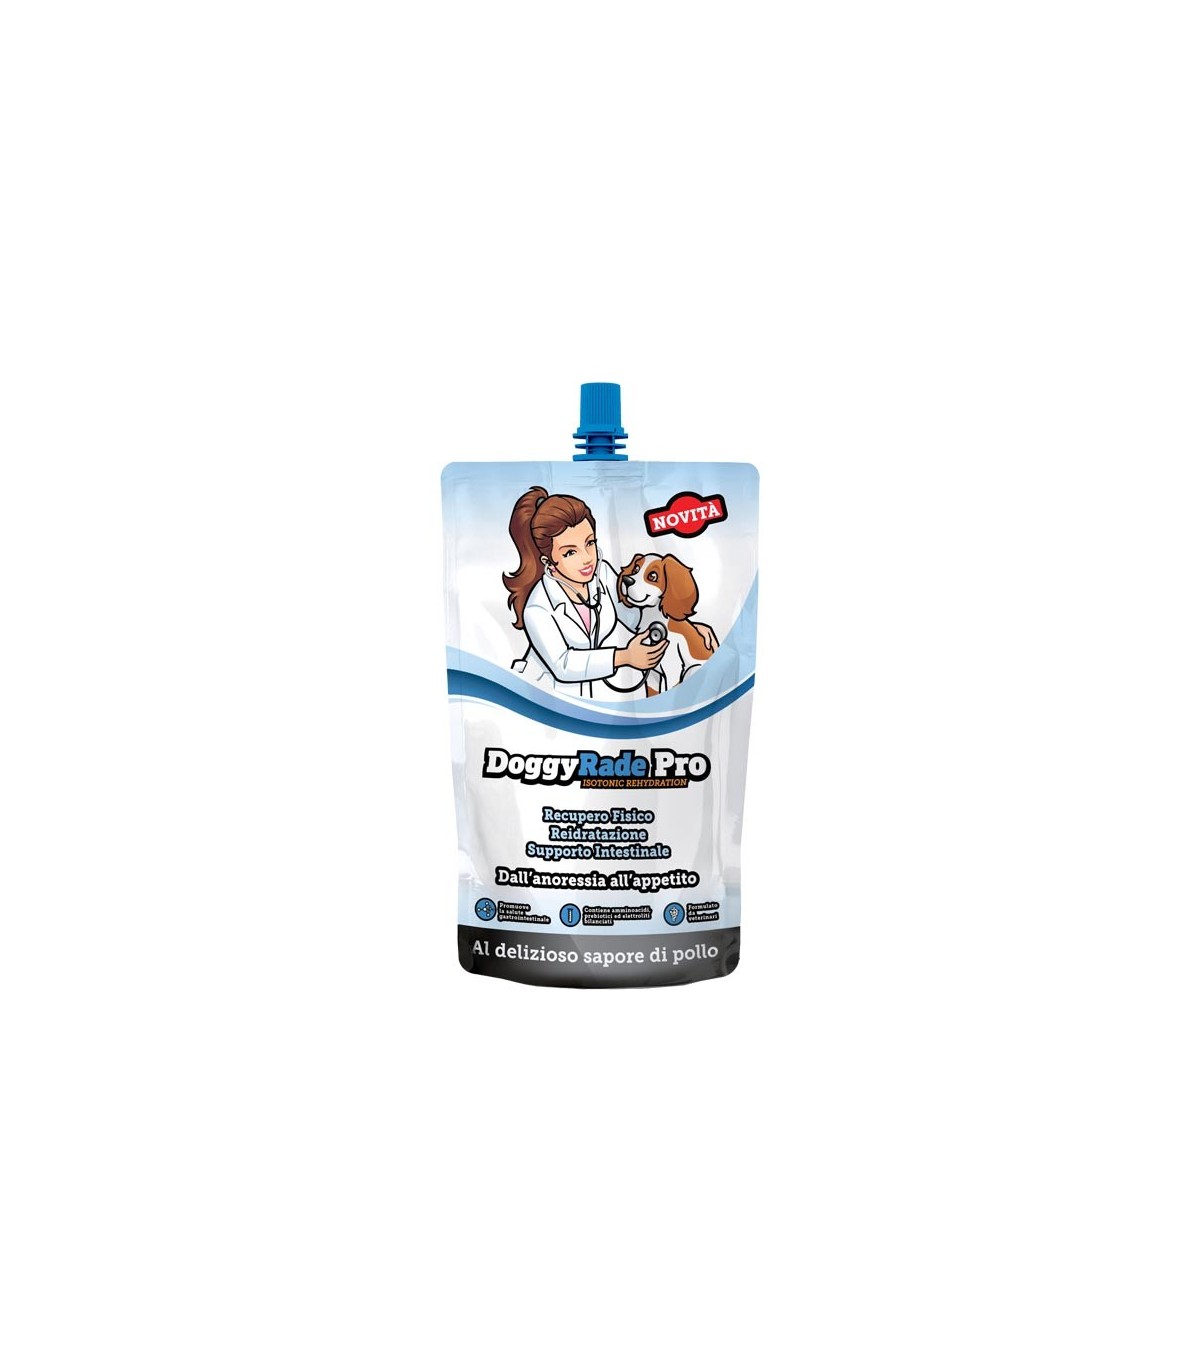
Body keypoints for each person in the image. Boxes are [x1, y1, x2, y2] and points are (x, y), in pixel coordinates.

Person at [503, 486, 667, 698]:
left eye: (589, 543)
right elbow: (563, 665)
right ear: (548, 561)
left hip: (592, 697)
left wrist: (682, 626)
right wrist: (625, 657)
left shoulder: (602, 573)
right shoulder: (537, 608)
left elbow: (632, 618)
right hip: (545, 698)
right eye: (570, 552)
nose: (587, 558)